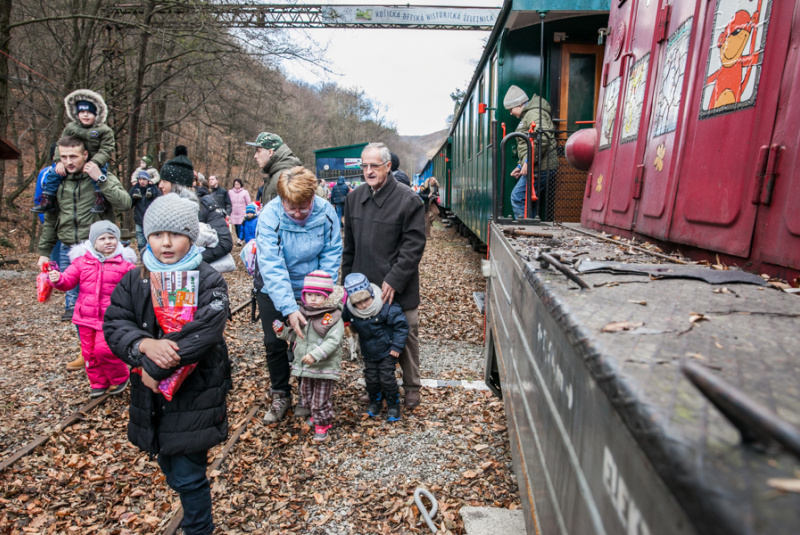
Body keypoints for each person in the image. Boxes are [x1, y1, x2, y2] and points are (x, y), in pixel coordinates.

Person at [104, 193, 231, 535]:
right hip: (152, 398)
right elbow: (115, 322)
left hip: (196, 393)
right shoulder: (136, 278)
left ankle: (199, 529)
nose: (166, 243)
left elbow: (206, 330)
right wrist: (143, 345)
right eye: (158, 235)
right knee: (167, 460)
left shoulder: (208, 279)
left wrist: (155, 367)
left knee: (189, 474)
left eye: (175, 234)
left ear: (190, 235)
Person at [36, 135, 132, 370]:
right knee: (78, 304)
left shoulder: (101, 177)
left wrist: (100, 177)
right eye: (64, 156)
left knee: (108, 302)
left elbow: (125, 203)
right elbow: (50, 218)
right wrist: (45, 250)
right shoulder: (57, 181)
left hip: (100, 250)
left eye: (73, 156)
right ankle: (86, 351)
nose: (68, 161)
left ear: (85, 155)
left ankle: (112, 347)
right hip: (69, 249)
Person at [342, 142, 426, 408]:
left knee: (407, 335)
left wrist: (395, 278)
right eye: (364, 166)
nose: (368, 171)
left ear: (388, 167)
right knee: (368, 336)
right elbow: (349, 248)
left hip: (398, 286)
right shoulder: (353, 199)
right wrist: (347, 285)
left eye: (373, 166)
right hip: (364, 288)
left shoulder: (408, 199)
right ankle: (375, 385)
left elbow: (414, 246)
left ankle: (412, 386)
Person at [255, 166, 342, 423]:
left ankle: (308, 390)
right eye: (290, 206)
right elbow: (271, 264)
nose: (296, 212)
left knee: (311, 338)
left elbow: (331, 251)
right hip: (273, 286)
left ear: (312, 198)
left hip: (313, 286)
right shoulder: (270, 216)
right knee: (275, 341)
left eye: (302, 207)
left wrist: (321, 292)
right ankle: (281, 391)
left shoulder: (326, 212)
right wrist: (290, 309)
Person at [49, 221, 137, 397]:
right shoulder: (82, 262)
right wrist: (58, 279)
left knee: (104, 350)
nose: (108, 242)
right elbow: (68, 281)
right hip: (85, 317)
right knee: (89, 353)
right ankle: (98, 383)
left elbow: (134, 288)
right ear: (93, 241)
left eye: (112, 238)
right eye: (102, 238)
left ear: (118, 241)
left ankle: (119, 377)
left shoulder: (125, 265)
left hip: (110, 318)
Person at [273, 271, 344, 441]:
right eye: (309, 295)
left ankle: (322, 424)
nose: (312, 299)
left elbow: (333, 341)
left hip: (323, 366)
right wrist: (283, 331)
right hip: (306, 366)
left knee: (320, 397)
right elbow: (296, 335)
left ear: (327, 297)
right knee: (307, 394)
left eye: (317, 296)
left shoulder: (332, 317)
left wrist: (315, 355)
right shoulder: (303, 313)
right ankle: (315, 415)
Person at [33, 89, 115, 214]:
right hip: (71, 159)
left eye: (89, 112)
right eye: (82, 112)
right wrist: (59, 161)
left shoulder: (104, 130)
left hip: (96, 160)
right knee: (53, 173)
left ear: (97, 114)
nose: (85, 115)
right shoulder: (71, 128)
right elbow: (60, 144)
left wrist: (95, 162)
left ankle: (100, 199)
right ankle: (48, 198)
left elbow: (106, 149)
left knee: (99, 175)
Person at [343, 273, 409, 422]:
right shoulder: (351, 311)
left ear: (372, 294)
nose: (364, 305)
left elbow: (401, 326)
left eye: (366, 299)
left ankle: (393, 404)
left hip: (387, 349)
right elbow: (339, 317)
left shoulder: (385, 305)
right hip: (369, 351)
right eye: (358, 302)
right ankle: (375, 401)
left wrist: (397, 346)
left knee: (387, 377)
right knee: (371, 378)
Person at [158, 146, 233, 265]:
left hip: (199, 277)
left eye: (164, 181)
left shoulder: (206, 205)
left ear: (178, 184)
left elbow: (225, 242)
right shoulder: (160, 207)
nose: (160, 186)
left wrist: (192, 260)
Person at [504, 85, 559, 220]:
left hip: (542, 166)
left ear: (518, 104)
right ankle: (531, 228)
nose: (511, 113)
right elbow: (527, 145)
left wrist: (528, 162)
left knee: (517, 197)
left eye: (511, 109)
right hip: (537, 164)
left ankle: (525, 230)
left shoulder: (533, 113)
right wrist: (520, 165)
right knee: (526, 199)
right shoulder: (528, 115)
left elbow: (542, 139)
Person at [246, 132, 301, 203]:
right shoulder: (276, 174)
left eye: (258, 151)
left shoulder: (284, 177)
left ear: (270, 152)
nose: (255, 156)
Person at [130, 169, 162, 252]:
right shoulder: (135, 190)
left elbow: (160, 202)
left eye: (144, 179)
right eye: (140, 179)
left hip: (152, 221)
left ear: (148, 180)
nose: (142, 182)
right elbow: (129, 203)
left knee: (152, 243)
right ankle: (143, 260)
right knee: (141, 244)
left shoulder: (154, 190)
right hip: (139, 220)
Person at [228, 178, 251, 245]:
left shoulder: (245, 192)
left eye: (238, 184)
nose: (237, 186)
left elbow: (248, 202)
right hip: (234, 212)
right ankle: (239, 238)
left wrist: (248, 211)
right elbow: (228, 202)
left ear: (241, 185)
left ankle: (241, 239)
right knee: (236, 226)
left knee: (241, 226)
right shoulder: (230, 192)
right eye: (235, 184)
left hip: (242, 212)